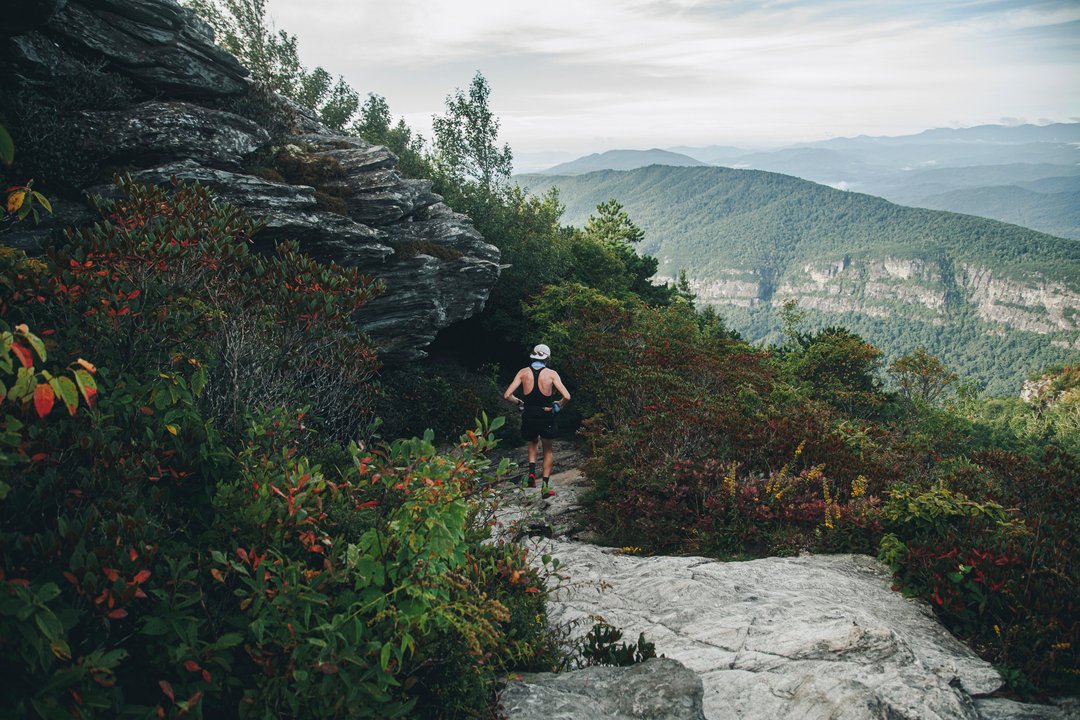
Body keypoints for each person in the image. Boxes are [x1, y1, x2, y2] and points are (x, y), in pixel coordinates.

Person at [503, 343, 571, 498]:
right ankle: (545, 487)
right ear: (547, 358)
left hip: (529, 414)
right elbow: (567, 396)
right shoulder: (551, 374)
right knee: (548, 450)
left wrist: (519, 403)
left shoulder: (523, 372)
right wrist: (559, 405)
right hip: (546, 414)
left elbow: (507, 395)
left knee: (532, 442)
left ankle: (532, 475)